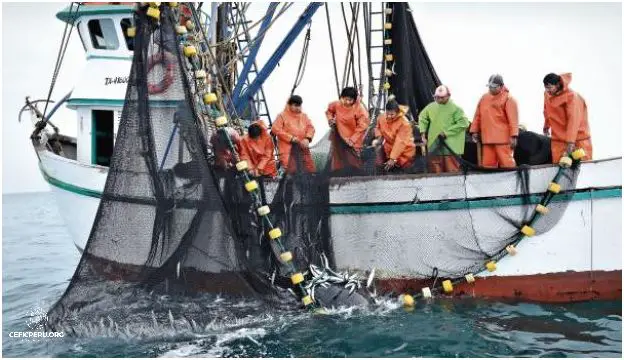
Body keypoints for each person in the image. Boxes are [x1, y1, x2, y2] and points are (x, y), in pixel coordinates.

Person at [469, 74, 519, 168]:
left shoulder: (509, 99)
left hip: (503, 140)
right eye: (489, 87)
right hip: (487, 138)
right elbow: (477, 115)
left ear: (501, 86)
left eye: (494, 87)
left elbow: (513, 120)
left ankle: (511, 181)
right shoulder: (484, 98)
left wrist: (514, 136)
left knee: (507, 164)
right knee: (487, 165)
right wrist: (474, 131)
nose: (491, 89)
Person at [418, 85, 470, 173]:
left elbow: (464, 123)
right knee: (434, 172)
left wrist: (446, 132)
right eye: (436, 97)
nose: (439, 100)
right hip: (434, 146)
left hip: (451, 148)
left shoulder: (456, 108)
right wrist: (423, 133)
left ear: (448, 96)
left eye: (442, 97)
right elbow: (422, 117)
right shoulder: (430, 107)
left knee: (452, 172)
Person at [542, 73, 592, 163]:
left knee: (581, 168)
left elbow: (574, 120)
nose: (547, 90)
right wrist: (546, 125)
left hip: (577, 140)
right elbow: (547, 110)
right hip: (558, 140)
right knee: (559, 169)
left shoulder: (572, 96)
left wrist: (570, 142)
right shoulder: (547, 94)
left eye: (549, 87)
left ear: (557, 85)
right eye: (545, 87)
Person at [325, 87, 370, 172]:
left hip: (353, 140)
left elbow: (362, 127)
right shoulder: (336, 104)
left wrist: (352, 140)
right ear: (341, 97)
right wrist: (330, 119)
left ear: (354, 100)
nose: (347, 102)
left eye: (350, 100)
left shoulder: (359, 109)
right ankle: (338, 177)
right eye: (345, 99)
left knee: (354, 162)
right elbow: (329, 111)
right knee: (338, 162)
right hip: (338, 139)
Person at [271, 95, 316, 173]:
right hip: (287, 149)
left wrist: (307, 138)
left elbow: (311, 128)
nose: (298, 108)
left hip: (303, 148)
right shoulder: (282, 116)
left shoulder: (304, 116)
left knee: (310, 169)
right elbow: (275, 129)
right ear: (290, 105)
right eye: (296, 105)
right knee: (291, 169)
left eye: (299, 105)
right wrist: (291, 138)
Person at [372, 99, 416, 172]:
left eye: (392, 114)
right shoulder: (381, 117)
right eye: (387, 114)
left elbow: (400, 142)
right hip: (389, 151)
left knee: (404, 175)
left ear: (397, 112)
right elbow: (378, 127)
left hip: (405, 153)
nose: (389, 116)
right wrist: (378, 138)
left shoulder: (404, 123)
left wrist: (393, 158)